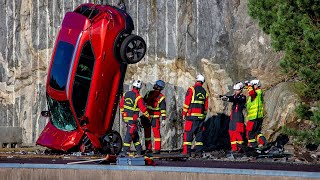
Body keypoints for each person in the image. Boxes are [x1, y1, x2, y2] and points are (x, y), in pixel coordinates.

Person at [119, 80, 150, 155]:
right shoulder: (138, 97)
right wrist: (148, 117)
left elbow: (121, 105)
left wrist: (123, 115)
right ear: (139, 88)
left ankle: (139, 151)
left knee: (135, 135)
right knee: (129, 135)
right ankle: (125, 151)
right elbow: (143, 109)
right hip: (133, 119)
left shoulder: (126, 94)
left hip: (126, 118)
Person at [182, 74, 208, 157]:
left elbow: (187, 102)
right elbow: (206, 107)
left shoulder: (192, 89)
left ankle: (186, 152)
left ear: (196, 80)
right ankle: (199, 153)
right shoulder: (205, 92)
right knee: (199, 136)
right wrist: (203, 117)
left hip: (191, 117)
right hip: (200, 118)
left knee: (188, 134)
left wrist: (184, 114)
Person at [220, 82, 246, 152]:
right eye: (235, 90)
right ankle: (234, 148)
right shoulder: (234, 96)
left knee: (238, 133)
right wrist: (224, 97)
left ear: (241, 90)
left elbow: (236, 100)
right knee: (231, 132)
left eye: (237, 90)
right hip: (233, 117)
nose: (236, 91)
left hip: (238, 117)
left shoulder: (242, 97)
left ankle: (241, 148)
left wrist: (228, 99)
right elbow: (232, 98)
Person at [142, 80, 166, 154]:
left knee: (148, 133)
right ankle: (157, 149)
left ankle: (149, 148)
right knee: (156, 134)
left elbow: (143, 102)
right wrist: (163, 119)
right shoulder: (161, 97)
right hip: (154, 118)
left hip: (148, 117)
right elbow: (163, 109)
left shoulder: (149, 93)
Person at [245, 79, 267, 148]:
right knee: (257, 132)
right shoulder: (258, 93)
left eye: (252, 85)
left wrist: (249, 85)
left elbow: (251, 93)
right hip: (258, 117)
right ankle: (264, 142)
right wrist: (248, 86)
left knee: (250, 133)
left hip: (253, 117)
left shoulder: (255, 93)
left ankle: (253, 146)